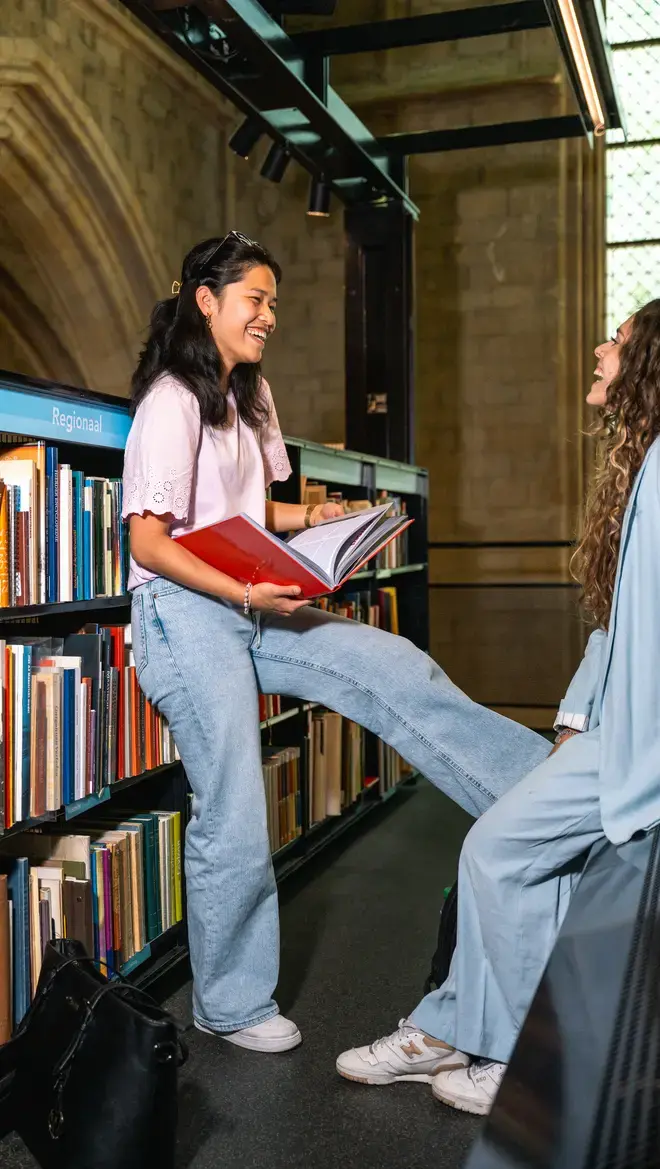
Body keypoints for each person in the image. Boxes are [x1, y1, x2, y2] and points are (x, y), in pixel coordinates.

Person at [122, 231, 550, 1054]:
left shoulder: (251, 394)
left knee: (393, 665)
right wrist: (246, 589)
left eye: (274, 301)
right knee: (236, 801)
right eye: (257, 299)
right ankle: (230, 1003)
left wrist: (311, 519)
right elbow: (149, 541)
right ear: (205, 300)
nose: (269, 316)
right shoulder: (171, 400)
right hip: (184, 611)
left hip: (252, 601)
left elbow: (249, 514)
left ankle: (543, 802)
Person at [337, 299, 660, 1114]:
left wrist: (627, 763)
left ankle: (519, 1061)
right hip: (612, 731)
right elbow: (625, 624)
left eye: (616, 344)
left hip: (639, 743)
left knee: (493, 853)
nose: (597, 351)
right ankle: (456, 1030)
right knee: (519, 860)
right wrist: (578, 713)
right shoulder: (646, 461)